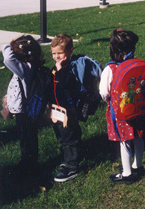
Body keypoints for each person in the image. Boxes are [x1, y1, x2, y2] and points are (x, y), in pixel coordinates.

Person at [99, 29, 145, 185]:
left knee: (124, 139)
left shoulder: (110, 69)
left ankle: (127, 173)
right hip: (138, 108)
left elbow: (104, 92)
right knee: (138, 136)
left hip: (120, 112)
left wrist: (109, 99)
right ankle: (138, 165)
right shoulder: (137, 64)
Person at [2, 35, 45, 174]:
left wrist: (7, 45)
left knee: (27, 139)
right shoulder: (24, 68)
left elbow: (8, 59)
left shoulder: (25, 68)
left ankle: (29, 165)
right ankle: (28, 162)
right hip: (21, 111)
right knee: (26, 138)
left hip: (24, 112)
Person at [50, 34, 84, 183]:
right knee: (62, 135)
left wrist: (60, 70)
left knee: (70, 135)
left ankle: (72, 166)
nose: (57, 57)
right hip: (56, 110)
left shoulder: (70, 68)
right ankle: (67, 158)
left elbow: (65, 84)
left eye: (60, 53)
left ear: (69, 51)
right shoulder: (57, 67)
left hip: (68, 110)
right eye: (54, 53)